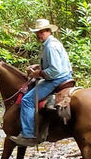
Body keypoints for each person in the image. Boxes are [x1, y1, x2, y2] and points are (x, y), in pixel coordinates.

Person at [8, 18, 73, 147]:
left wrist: (40, 73)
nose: (39, 34)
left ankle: (28, 135)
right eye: (38, 32)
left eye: (42, 32)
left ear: (48, 31)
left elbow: (55, 70)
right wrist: (38, 67)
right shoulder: (51, 43)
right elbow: (52, 64)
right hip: (62, 75)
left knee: (27, 100)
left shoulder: (50, 46)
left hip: (57, 78)